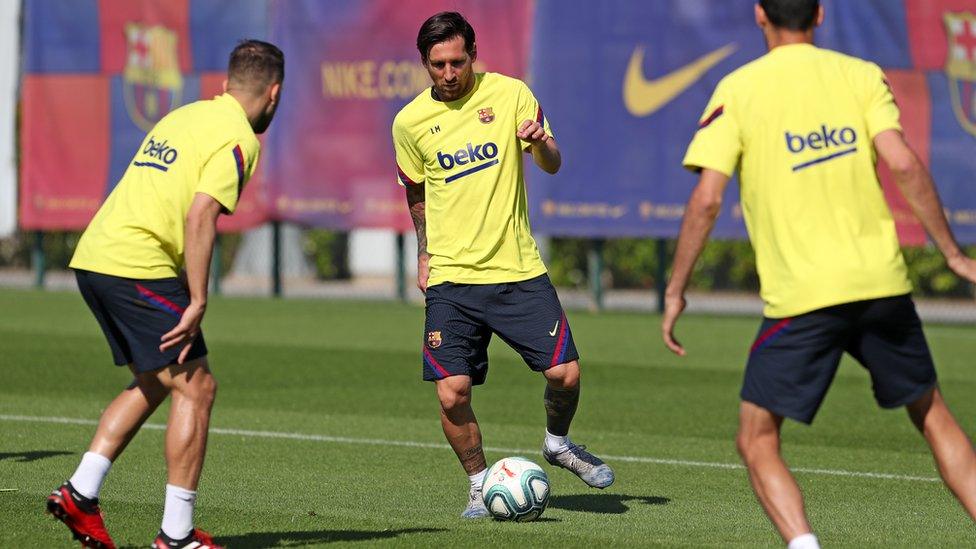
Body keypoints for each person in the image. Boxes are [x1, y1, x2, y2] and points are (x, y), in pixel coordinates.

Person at [662, 1, 976, 546]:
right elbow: (903, 163)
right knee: (933, 416)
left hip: (803, 298)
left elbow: (707, 201)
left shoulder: (737, 89)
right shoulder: (860, 75)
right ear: (820, 15)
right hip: (882, 284)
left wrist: (675, 290)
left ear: (760, 15)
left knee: (756, 438)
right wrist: (951, 252)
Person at [45, 40, 284, 549]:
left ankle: (80, 494)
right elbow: (201, 213)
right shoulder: (241, 137)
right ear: (274, 93)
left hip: (96, 257)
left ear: (225, 84)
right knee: (198, 387)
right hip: (137, 264)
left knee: (158, 381)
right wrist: (198, 298)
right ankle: (176, 537)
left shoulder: (187, 115)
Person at [392, 11, 614, 518]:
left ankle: (558, 444)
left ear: (473, 53)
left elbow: (553, 161)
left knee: (566, 375)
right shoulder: (409, 123)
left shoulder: (512, 93)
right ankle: (477, 485)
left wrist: (540, 142)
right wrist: (425, 253)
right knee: (452, 394)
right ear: (424, 63)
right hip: (453, 276)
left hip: (517, 269)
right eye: (437, 65)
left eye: (457, 61)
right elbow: (417, 194)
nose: (448, 73)